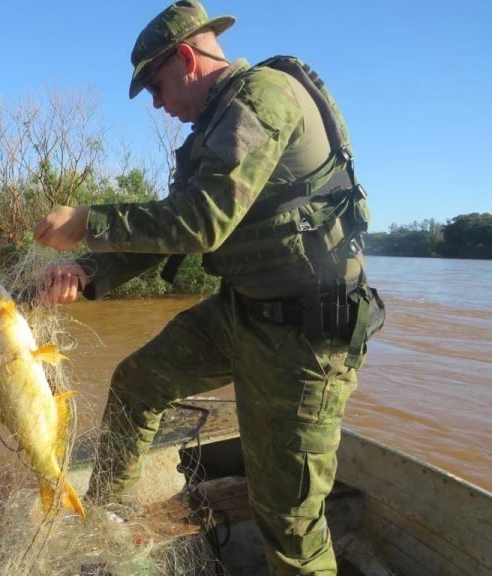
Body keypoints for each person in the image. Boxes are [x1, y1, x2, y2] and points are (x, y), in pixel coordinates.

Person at [33, 1, 385, 574]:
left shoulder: (263, 97)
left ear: (187, 59)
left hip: (305, 338)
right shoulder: (212, 129)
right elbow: (172, 230)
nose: (158, 104)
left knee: (289, 526)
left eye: (156, 86)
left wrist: (89, 220)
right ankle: (108, 521)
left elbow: (200, 222)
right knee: (136, 383)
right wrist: (87, 273)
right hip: (241, 312)